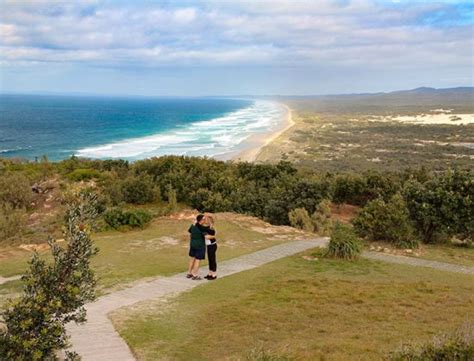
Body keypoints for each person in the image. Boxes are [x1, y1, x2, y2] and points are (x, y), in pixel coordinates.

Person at [186, 214, 213, 280]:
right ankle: (195, 275)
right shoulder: (202, 228)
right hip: (200, 246)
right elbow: (207, 236)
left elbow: (189, 231)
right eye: (204, 219)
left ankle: (189, 273)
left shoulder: (193, 225)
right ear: (201, 220)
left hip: (192, 245)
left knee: (192, 259)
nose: (205, 220)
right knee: (197, 260)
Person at [201, 215, 217, 280]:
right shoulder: (207, 228)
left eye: (207, 220)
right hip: (209, 246)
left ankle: (214, 274)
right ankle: (210, 273)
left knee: (212, 259)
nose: (205, 221)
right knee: (210, 259)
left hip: (212, 245)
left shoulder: (211, 229)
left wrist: (204, 234)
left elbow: (207, 237)